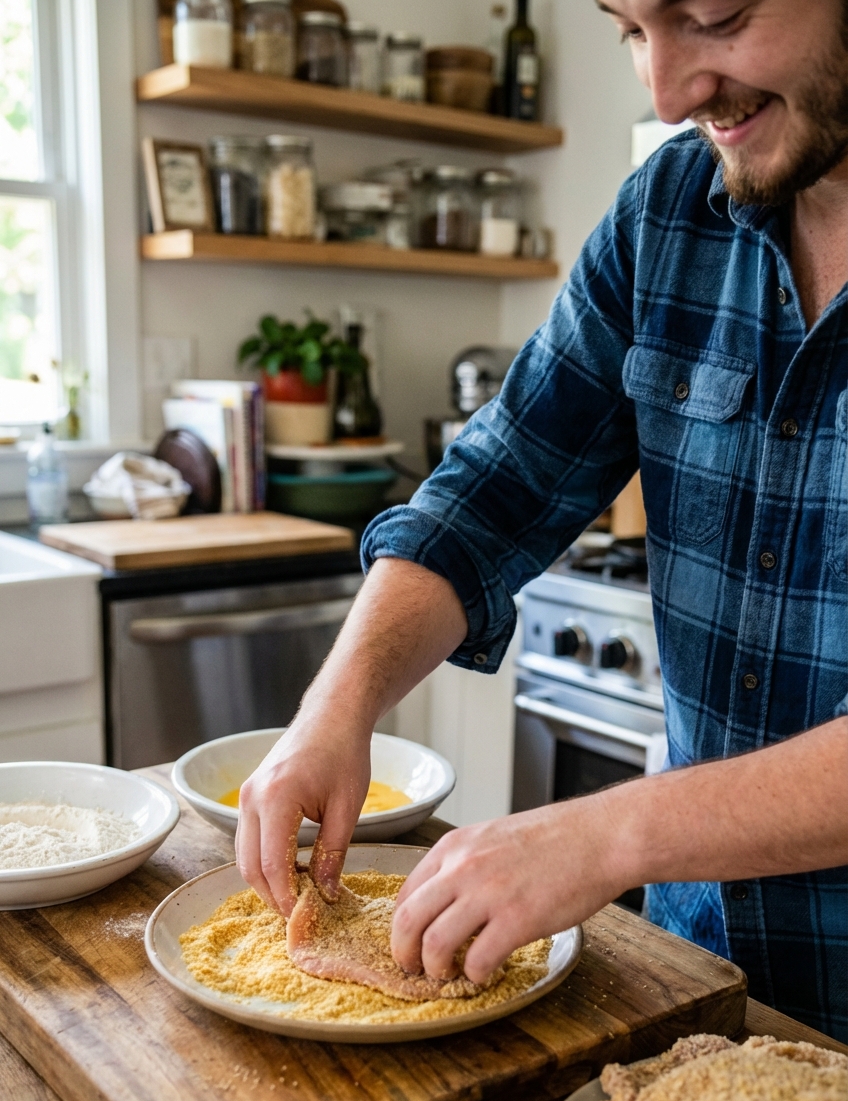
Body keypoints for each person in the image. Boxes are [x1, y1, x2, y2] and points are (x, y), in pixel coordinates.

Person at [236, 0, 848, 1040]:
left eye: (714, 16)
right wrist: (333, 707)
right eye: (629, 30)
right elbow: (496, 482)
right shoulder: (668, 212)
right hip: (704, 984)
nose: (664, 92)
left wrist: (608, 836)